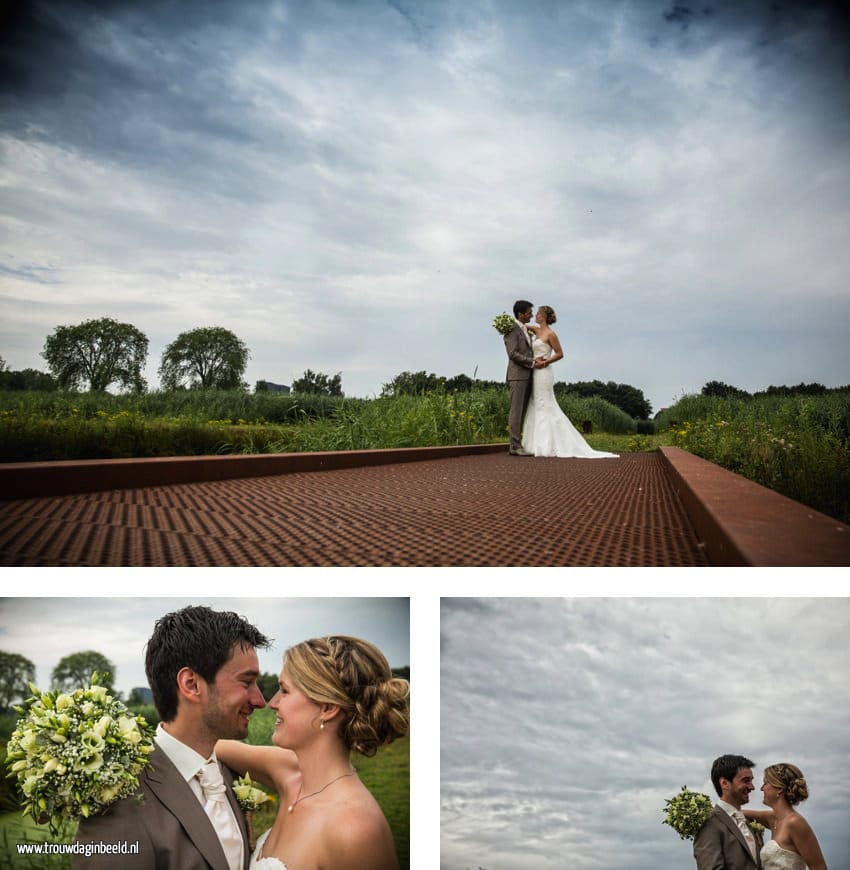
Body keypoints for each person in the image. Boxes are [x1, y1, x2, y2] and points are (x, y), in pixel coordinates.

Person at [74, 606, 271, 870]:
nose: (260, 701)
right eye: (246, 682)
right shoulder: (119, 799)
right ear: (191, 684)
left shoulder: (231, 774)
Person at [217, 635, 410, 870]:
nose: (272, 703)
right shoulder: (288, 772)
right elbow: (209, 744)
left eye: (285, 691)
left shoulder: (355, 830)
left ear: (327, 708)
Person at [521, 305, 618, 458]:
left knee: (546, 404)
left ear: (544, 317)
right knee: (537, 404)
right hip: (534, 372)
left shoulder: (551, 334)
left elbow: (560, 354)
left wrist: (545, 362)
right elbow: (521, 325)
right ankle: (535, 443)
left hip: (544, 372)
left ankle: (549, 444)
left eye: (538, 313)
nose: (535, 315)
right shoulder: (535, 329)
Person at [743, 763, 827, 870]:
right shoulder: (772, 818)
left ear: (779, 789)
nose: (761, 788)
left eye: (765, 783)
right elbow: (737, 812)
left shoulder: (795, 822)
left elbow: (819, 867)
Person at [694, 754, 763, 870]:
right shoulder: (709, 822)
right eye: (746, 781)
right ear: (724, 783)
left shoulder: (749, 822)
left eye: (751, 781)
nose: (752, 787)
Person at [503, 299, 545, 456]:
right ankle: (514, 446)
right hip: (518, 376)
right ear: (520, 314)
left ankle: (519, 443)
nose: (531, 315)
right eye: (529, 313)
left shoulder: (525, 329)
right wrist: (533, 362)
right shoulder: (511, 329)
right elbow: (512, 354)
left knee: (523, 411)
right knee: (516, 411)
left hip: (528, 375)